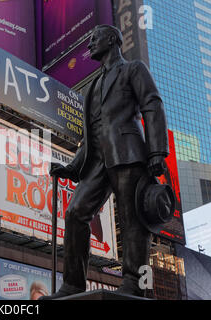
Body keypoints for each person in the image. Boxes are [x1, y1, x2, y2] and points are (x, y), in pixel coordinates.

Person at [41, 25, 169, 298]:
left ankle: (134, 282)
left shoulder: (133, 69)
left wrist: (157, 152)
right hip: (98, 160)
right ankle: (73, 284)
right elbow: (90, 135)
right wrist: (72, 168)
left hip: (128, 153)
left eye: (94, 38)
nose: (89, 45)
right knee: (75, 213)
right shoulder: (92, 86)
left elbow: (152, 104)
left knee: (131, 218)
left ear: (112, 40)